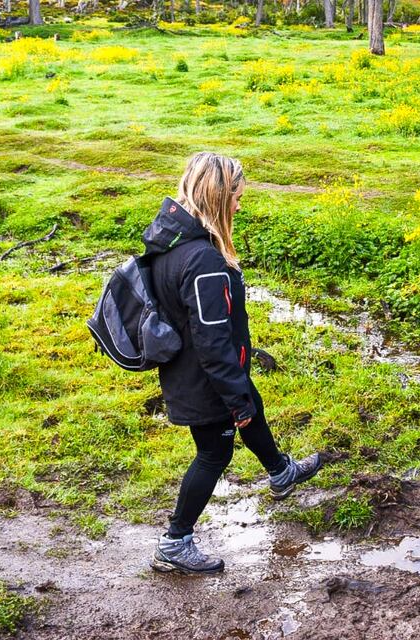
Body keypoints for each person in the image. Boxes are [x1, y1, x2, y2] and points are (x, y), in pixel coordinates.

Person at [144, 152, 322, 574]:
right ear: (218, 198)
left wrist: (241, 391)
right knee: (214, 452)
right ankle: (175, 542)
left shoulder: (170, 242)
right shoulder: (203, 261)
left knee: (249, 402)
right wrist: (234, 397)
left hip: (195, 368)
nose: (240, 206)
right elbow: (212, 340)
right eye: (237, 198)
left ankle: (280, 472)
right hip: (205, 376)